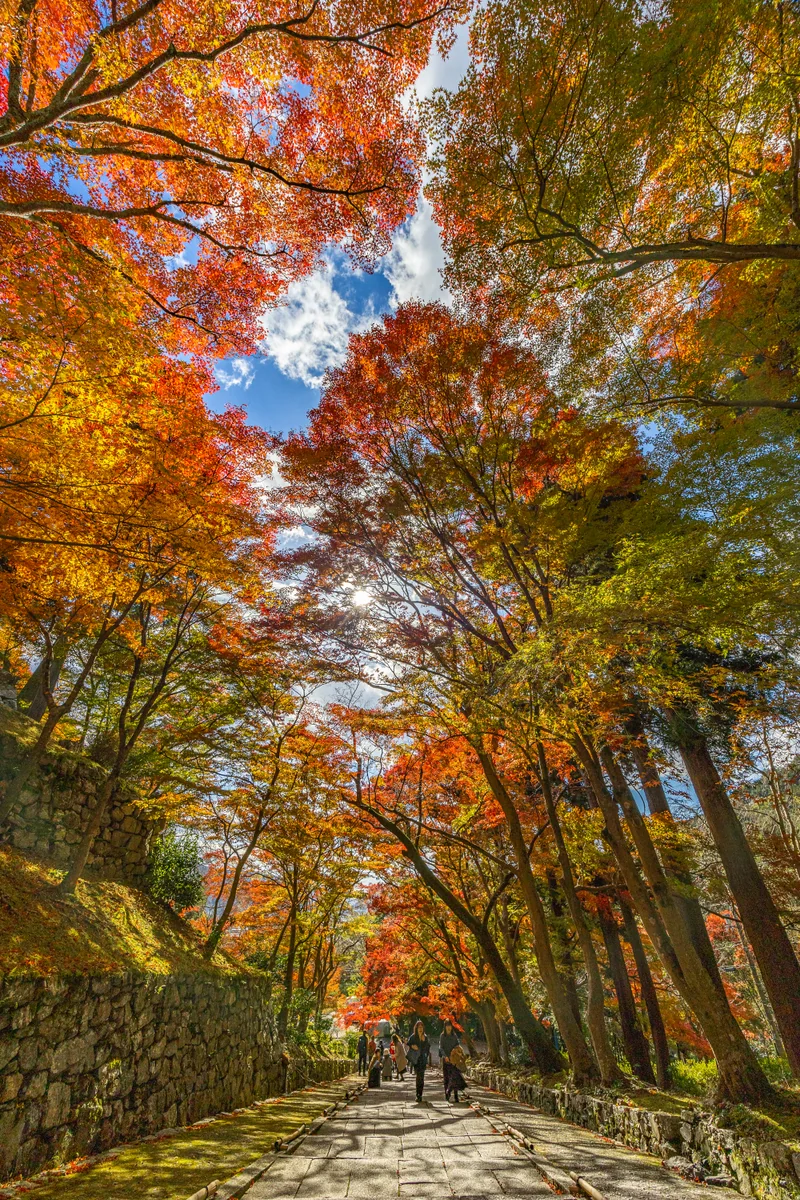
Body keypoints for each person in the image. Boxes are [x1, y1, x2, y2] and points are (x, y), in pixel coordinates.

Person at [439, 1018, 467, 1103]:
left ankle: (455, 1095)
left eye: (450, 1025)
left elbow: (457, 1045)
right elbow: (441, 1047)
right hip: (446, 1059)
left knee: (454, 1077)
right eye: (447, 1026)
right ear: (445, 1027)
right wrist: (444, 1056)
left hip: (454, 1059)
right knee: (446, 1077)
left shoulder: (454, 1036)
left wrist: (457, 1052)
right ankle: (447, 1093)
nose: (448, 1027)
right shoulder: (442, 1036)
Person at [406, 1019, 432, 1103]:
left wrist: (423, 1041)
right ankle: (418, 1094)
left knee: (422, 1077)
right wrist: (413, 1046)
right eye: (419, 1027)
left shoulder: (426, 1037)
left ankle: (420, 1094)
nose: (420, 1029)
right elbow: (408, 1043)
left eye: (421, 1027)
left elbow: (428, 1048)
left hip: (423, 1059)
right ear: (416, 1028)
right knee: (418, 1077)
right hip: (416, 1060)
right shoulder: (413, 1036)